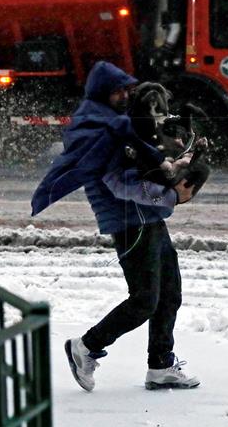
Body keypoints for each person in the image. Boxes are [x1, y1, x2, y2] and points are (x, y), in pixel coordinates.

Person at [31, 61, 200, 392]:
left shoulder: (114, 122)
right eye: (119, 91)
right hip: (130, 222)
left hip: (146, 217)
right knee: (144, 300)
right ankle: (86, 347)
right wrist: (170, 197)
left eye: (127, 89)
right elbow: (118, 183)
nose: (126, 95)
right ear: (103, 94)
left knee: (170, 293)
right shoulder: (97, 130)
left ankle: (161, 365)